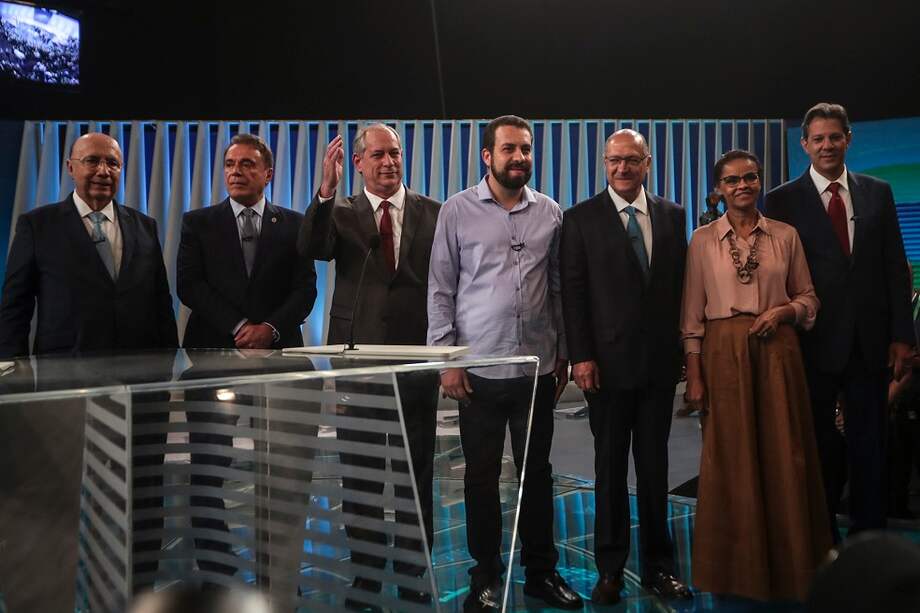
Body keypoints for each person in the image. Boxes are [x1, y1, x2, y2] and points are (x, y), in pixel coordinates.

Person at [428, 115, 582, 612]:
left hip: (536, 370)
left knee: (537, 474)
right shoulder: (457, 211)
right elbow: (441, 289)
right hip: (478, 370)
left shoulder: (551, 213)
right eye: (510, 149)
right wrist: (447, 361)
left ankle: (541, 574)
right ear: (487, 156)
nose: (520, 157)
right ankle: (485, 577)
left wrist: (562, 353)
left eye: (526, 149)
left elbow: (558, 288)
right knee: (480, 477)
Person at [298, 123, 441, 607]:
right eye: (378, 155)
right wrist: (325, 191)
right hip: (356, 363)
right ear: (357, 162)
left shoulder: (434, 212)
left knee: (415, 474)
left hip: (415, 362)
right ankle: (365, 577)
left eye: (395, 153)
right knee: (360, 478)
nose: (388, 162)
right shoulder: (339, 213)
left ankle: (414, 571)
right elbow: (311, 250)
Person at [682, 149, 831, 600]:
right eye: (732, 180)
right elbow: (691, 316)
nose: (742, 186)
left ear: (760, 182)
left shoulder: (785, 235)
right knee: (731, 459)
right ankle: (737, 572)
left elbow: (809, 298)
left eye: (750, 178)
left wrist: (784, 311)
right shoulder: (702, 240)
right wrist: (695, 374)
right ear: (719, 189)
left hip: (778, 353)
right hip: (722, 353)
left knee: (785, 454)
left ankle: (793, 564)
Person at [764, 103, 914, 539]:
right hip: (813, 343)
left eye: (835, 137)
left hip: (871, 343)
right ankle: (820, 538)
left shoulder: (877, 192)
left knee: (871, 447)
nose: (827, 145)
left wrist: (903, 336)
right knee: (818, 448)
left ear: (849, 139)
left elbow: (894, 267)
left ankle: (870, 541)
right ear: (804, 144)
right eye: (818, 138)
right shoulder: (781, 200)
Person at [560, 129, 691, 605]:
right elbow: (573, 295)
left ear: (647, 162)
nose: (622, 168)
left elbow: (681, 290)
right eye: (614, 161)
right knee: (610, 470)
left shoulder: (674, 217)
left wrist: (685, 354)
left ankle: (661, 566)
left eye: (631, 160)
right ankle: (610, 569)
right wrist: (581, 357)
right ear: (604, 164)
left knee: (657, 469)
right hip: (606, 371)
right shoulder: (579, 219)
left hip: (659, 368)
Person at [0, 131, 178, 357]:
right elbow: (15, 307)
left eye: (112, 163)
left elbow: (161, 302)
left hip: (139, 370)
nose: (103, 171)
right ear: (70, 167)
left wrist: (170, 362)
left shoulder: (145, 226)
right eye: (92, 161)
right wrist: (11, 369)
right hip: (65, 372)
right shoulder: (37, 226)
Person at [177, 132, 317, 350]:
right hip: (212, 346)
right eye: (229, 164)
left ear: (268, 174)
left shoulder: (295, 224)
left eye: (247, 164)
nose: (236, 172)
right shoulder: (198, 223)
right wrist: (239, 326)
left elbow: (305, 289)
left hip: (277, 348)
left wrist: (270, 329)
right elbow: (190, 286)